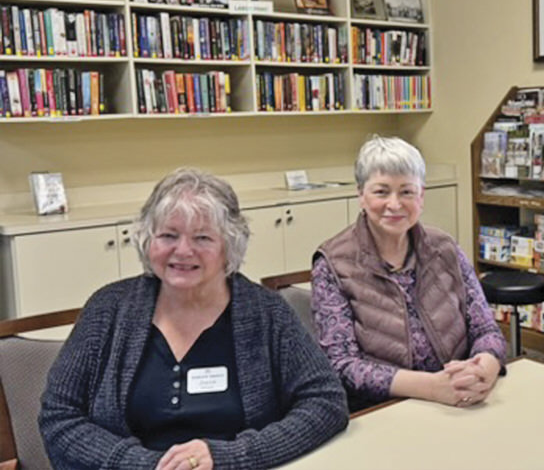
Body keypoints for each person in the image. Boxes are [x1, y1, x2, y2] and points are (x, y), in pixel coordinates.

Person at [39, 168, 348, 469]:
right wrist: (147, 465)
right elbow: (59, 415)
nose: (183, 251)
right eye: (168, 235)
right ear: (148, 241)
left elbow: (326, 401)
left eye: (202, 238)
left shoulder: (267, 313)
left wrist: (232, 456)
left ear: (230, 246)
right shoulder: (108, 309)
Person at [311, 136, 506, 412]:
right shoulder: (332, 263)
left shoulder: (445, 248)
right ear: (361, 195)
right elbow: (342, 365)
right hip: (384, 410)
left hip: (460, 401)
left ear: (421, 196)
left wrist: (483, 369)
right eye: (381, 192)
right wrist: (432, 387)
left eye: (406, 192)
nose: (395, 204)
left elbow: (486, 330)